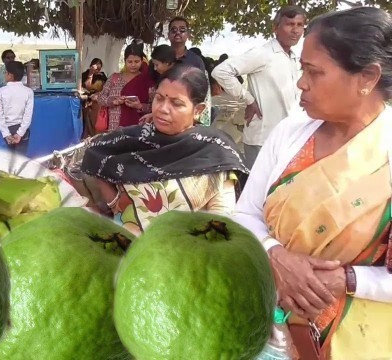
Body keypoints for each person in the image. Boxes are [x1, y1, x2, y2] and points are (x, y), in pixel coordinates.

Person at [234, 7, 392, 359]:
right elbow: (244, 215)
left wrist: (347, 280)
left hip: (361, 339)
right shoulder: (290, 133)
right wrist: (275, 255)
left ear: (367, 77)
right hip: (267, 329)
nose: (301, 83)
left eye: (313, 72)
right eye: (301, 69)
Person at [82, 65, 248, 235]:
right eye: (159, 98)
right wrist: (115, 203)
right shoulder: (132, 139)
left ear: (198, 110)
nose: (162, 109)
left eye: (176, 104)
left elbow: (221, 218)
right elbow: (94, 156)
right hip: (125, 244)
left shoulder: (214, 150)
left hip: (183, 251)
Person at [212, 5, 306, 168]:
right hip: (263, 139)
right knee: (259, 190)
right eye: (290, 24)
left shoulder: (293, 58)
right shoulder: (263, 54)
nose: (295, 30)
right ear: (275, 28)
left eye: (299, 25)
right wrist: (249, 100)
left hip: (287, 138)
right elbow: (221, 71)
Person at [97, 42, 154, 131]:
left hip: (137, 129)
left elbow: (154, 106)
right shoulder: (114, 78)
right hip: (114, 128)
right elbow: (101, 98)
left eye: (136, 61)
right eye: (130, 62)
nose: (133, 65)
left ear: (142, 61)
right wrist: (113, 101)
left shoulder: (146, 80)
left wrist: (140, 106)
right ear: (125, 61)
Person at [0, 61, 34, 156]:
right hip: (23, 130)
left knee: (8, 160)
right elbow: (28, 115)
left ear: (10, 75)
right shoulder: (28, 92)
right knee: (21, 160)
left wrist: (6, 134)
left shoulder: (1, 91)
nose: (4, 75)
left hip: (7, 128)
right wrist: (20, 133)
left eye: (5, 72)